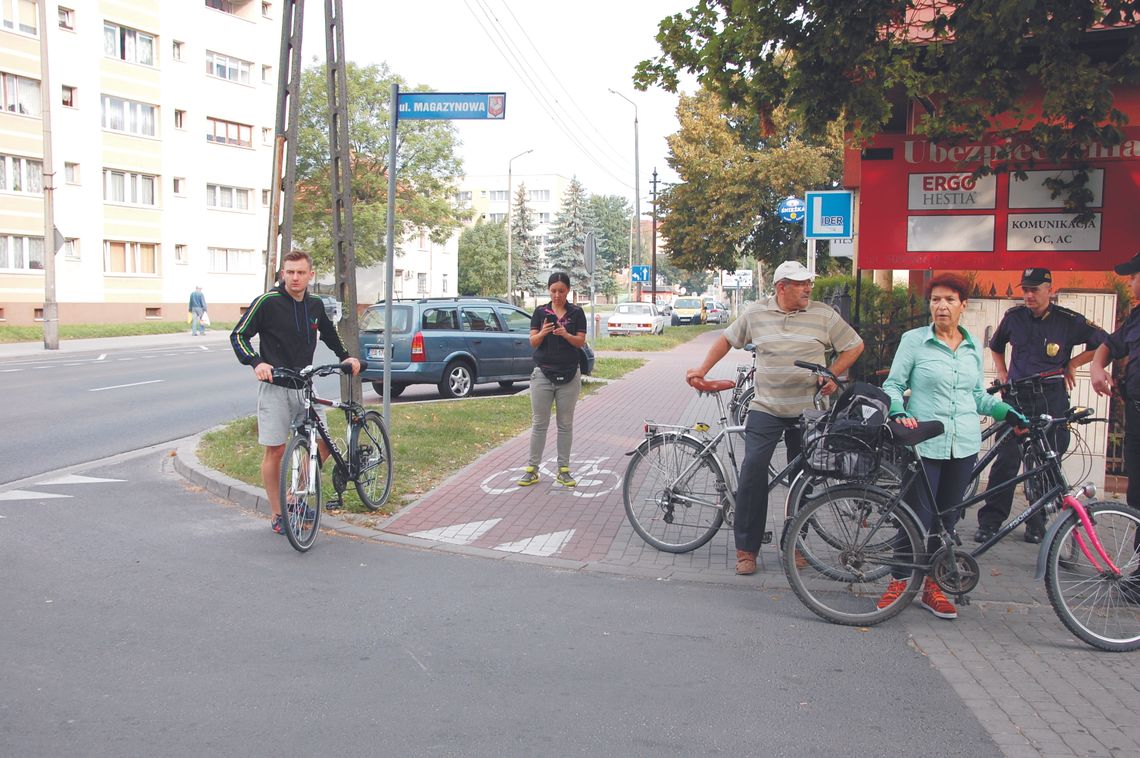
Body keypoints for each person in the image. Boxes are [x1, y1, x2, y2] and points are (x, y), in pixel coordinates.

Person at [685, 260, 864, 575]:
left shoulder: (822, 314)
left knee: (804, 478)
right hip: (766, 406)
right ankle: (746, 550)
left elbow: (854, 345)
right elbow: (727, 339)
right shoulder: (756, 313)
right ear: (782, 287)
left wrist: (831, 373)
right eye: (801, 283)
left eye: (809, 282)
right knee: (753, 471)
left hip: (808, 411)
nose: (808, 288)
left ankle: (796, 545)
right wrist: (701, 370)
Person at [881, 273, 1024, 619]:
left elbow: (977, 397)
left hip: (963, 445)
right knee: (915, 517)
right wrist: (899, 411)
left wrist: (1009, 413)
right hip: (924, 444)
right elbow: (893, 384)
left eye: (949, 300)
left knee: (946, 521)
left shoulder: (973, 346)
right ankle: (899, 582)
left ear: (963, 305)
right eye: (935, 300)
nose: (941, 306)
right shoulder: (914, 341)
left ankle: (932, 584)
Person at [230, 251, 360, 534]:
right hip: (276, 386)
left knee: (323, 444)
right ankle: (278, 514)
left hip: (305, 386)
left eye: (301, 272)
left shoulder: (315, 305)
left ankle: (295, 498)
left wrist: (346, 356)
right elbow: (238, 335)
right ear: (282, 274)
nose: (295, 278)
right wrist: (256, 362)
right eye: (290, 272)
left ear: (310, 275)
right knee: (275, 450)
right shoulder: (267, 302)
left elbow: (329, 333)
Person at [975, 268, 1106, 544]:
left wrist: (1073, 364)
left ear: (1050, 289)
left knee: (1046, 461)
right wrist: (1001, 371)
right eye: (1025, 289)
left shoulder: (1068, 321)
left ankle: (1036, 522)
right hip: (1017, 397)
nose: (1029, 295)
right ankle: (990, 521)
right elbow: (996, 345)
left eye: (1035, 289)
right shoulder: (1013, 318)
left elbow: (1103, 342)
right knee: (1006, 460)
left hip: (1051, 397)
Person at [1090, 252, 1140, 601]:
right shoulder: (1137, 317)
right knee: (1136, 497)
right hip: (1136, 414)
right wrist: (1096, 367)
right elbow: (1110, 344)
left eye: (1134, 275)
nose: (1130, 281)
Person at [517, 271, 588, 488]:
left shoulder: (576, 313)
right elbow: (533, 342)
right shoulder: (540, 312)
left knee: (565, 424)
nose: (557, 295)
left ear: (568, 291)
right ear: (549, 290)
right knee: (539, 423)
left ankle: (563, 470)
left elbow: (580, 342)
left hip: (569, 375)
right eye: (553, 291)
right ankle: (532, 469)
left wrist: (566, 334)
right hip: (542, 375)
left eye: (562, 291)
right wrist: (544, 332)